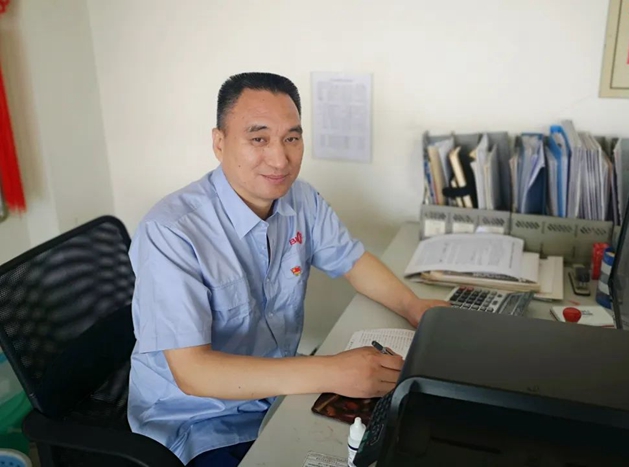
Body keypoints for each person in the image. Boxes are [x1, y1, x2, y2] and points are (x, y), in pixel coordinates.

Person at [127, 72, 449, 467]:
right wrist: (332, 371)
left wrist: (415, 306)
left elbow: (352, 260)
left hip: (279, 396)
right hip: (200, 423)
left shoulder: (301, 200)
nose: (280, 159)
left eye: (292, 138)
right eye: (259, 139)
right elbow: (194, 373)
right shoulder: (171, 231)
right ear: (219, 142)